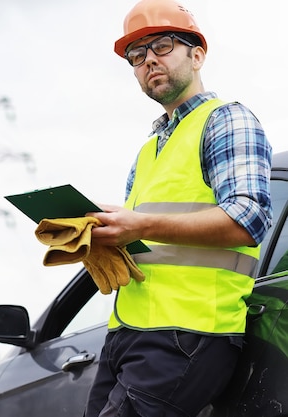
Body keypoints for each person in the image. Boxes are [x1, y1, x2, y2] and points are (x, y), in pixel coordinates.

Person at [84, 0, 273, 416]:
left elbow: (250, 218)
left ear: (198, 54)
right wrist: (97, 232)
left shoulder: (227, 121)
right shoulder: (148, 149)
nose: (149, 59)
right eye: (137, 55)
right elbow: (148, 239)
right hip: (128, 332)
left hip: (189, 333)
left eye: (163, 45)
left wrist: (138, 224)